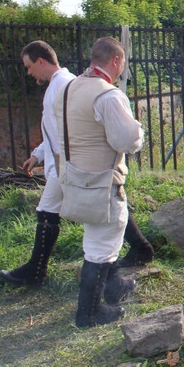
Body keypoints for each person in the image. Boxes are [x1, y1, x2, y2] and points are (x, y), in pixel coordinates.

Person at [0, 41, 154, 288]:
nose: (29, 73)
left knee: (96, 210)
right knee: (99, 211)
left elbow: (73, 133)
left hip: (72, 165)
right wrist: (39, 155)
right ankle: (129, 261)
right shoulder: (64, 86)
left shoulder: (67, 84)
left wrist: (66, 163)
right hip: (68, 164)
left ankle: (42, 272)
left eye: (29, 66)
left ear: (41, 61)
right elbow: (56, 131)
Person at [56, 36, 144, 328]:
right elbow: (127, 140)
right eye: (122, 64)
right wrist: (138, 131)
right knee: (102, 244)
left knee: (98, 237)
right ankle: (89, 312)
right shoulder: (107, 95)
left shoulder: (70, 89)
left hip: (76, 178)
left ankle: (115, 286)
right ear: (116, 60)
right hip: (103, 181)